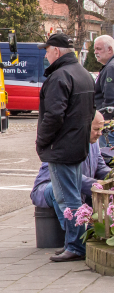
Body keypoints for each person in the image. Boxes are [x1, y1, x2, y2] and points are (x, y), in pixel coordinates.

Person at [36, 33, 95, 262]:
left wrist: (42, 141)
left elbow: (53, 115)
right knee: (72, 195)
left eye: (47, 50)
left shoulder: (60, 76)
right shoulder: (83, 73)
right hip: (77, 144)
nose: (46, 54)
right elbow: (91, 111)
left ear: (57, 51)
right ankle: (76, 243)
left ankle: (75, 246)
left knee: (67, 198)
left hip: (61, 147)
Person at [32, 111, 108, 258]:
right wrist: (96, 183)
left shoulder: (93, 143)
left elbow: (100, 166)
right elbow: (67, 177)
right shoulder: (68, 143)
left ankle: (85, 238)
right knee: (65, 192)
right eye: (96, 129)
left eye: (101, 129)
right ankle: (74, 243)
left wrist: (110, 175)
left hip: (74, 186)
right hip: (48, 186)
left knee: (94, 190)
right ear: (85, 127)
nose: (99, 134)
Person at [93, 35, 114, 118]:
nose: (95, 52)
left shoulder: (110, 68)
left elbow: (110, 101)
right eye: (95, 49)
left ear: (109, 49)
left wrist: (104, 121)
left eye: (98, 49)